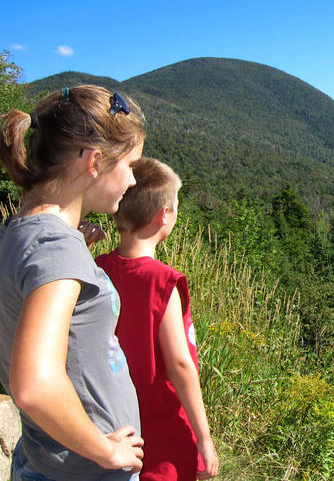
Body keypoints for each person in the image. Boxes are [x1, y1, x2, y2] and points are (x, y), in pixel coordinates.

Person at [0, 85, 146, 480]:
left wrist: (73, 250)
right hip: (82, 470)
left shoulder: (19, 231)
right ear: (95, 162)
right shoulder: (54, 250)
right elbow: (33, 384)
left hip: (44, 456)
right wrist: (105, 451)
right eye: (130, 164)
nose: (132, 180)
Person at [95, 157, 219, 481]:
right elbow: (180, 364)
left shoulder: (97, 268)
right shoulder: (163, 282)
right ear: (164, 215)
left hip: (115, 430)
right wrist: (204, 438)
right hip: (162, 438)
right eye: (175, 206)